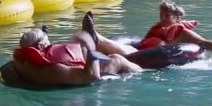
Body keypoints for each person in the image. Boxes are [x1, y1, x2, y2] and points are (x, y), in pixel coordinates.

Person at [9, 25, 143, 87]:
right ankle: (145, 72)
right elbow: (91, 77)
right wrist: (90, 47)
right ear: (41, 47)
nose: (49, 39)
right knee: (116, 59)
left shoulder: (22, 62)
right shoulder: (53, 69)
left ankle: (97, 41)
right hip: (87, 80)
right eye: (46, 37)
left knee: (88, 52)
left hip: (71, 72)